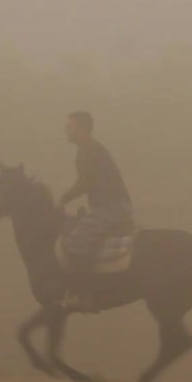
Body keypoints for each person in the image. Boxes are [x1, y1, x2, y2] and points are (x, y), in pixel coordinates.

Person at [57, 111, 134, 310]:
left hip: (112, 207)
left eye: (70, 127)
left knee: (77, 240)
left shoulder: (88, 151)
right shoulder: (88, 150)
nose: (66, 130)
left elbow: (86, 182)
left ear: (82, 129)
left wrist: (65, 198)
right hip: (107, 205)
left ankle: (84, 296)